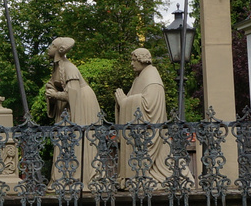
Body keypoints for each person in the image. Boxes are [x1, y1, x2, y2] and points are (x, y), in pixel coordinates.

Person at [44, 36, 102, 186]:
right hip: (68, 106)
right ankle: (64, 177)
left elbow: (73, 95)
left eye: (52, 45)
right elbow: (53, 85)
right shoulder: (58, 66)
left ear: (58, 50)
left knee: (78, 137)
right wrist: (50, 92)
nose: (49, 47)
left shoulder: (69, 68)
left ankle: (79, 177)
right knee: (65, 136)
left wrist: (55, 95)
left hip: (83, 103)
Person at [114, 47, 170, 185]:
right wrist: (122, 103)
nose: (132, 64)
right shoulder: (139, 77)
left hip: (149, 134)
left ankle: (140, 176)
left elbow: (149, 107)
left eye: (134, 60)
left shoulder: (152, 77)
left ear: (142, 60)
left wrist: (125, 102)